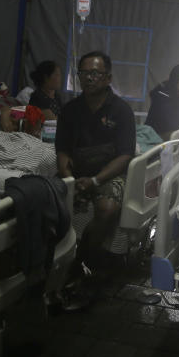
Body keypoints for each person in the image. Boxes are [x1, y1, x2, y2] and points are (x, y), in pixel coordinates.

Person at [55, 51, 136, 284]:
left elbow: (125, 155)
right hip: (77, 172)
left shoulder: (121, 111)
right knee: (46, 200)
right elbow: (62, 151)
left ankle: (84, 260)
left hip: (109, 173)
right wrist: (69, 180)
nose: (89, 78)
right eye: (84, 73)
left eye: (95, 73)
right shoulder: (70, 110)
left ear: (108, 78)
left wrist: (95, 181)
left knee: (107, 208)